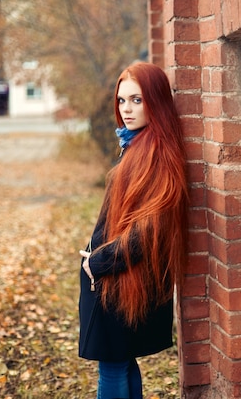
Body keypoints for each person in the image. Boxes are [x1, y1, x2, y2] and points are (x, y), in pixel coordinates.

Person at [78, 61, 188, 399]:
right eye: (122, 100)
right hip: (119, 283)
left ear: (155, 100)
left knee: (112, 367)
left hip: (122, 281)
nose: (126, 109)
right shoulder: (137, 144)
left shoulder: (157, 152)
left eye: (137, 100)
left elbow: (150, 230)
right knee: (121, 362)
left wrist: (98, 262)